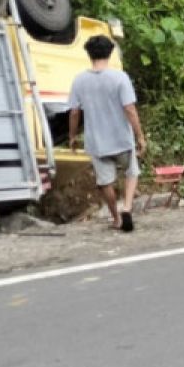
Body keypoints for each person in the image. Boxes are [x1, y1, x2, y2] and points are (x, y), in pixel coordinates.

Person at [69, 35, 148, 231]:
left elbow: (74, 112)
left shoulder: (79, 80)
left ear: (89, 54)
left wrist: (72, 137)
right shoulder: (120, 77)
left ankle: (116, 218)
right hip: (121, 138)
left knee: (105, 182)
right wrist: (139, 136)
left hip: (97, 142)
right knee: (131, 172)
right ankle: (127, 207)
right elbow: (129, 109)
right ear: (110, 53)